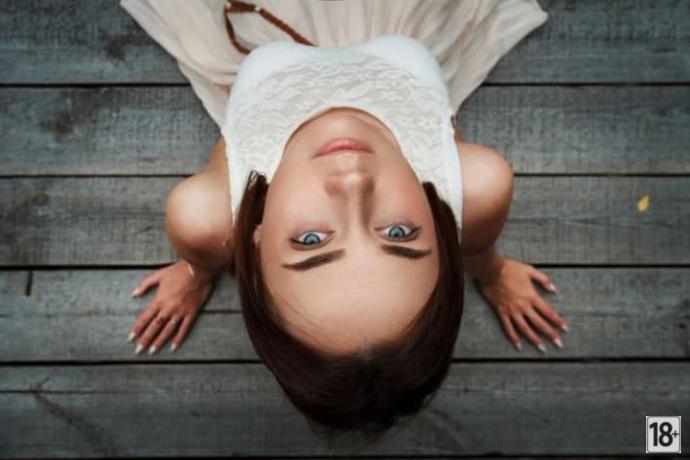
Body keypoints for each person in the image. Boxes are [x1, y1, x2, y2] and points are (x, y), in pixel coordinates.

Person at [120, 0, 568, 437]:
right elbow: (439, 135)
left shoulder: (205, 217)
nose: (353, 182)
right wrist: (493, 273)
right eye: (399, 233)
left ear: (254, 237)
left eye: (311, 240)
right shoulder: (476, 187)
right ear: (442, 224)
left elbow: (238, 141)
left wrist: (197, 271)